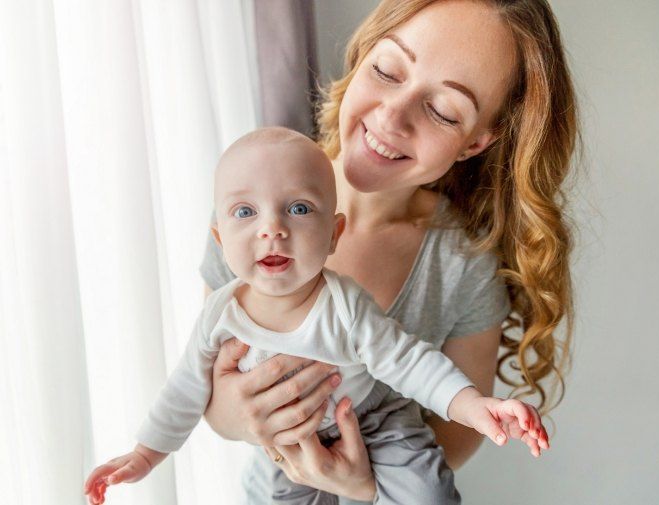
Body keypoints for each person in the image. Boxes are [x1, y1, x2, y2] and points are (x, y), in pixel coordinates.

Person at [201, 0, 578, 503]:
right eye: (387, 70)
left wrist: (364, 487)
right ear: (362, 56)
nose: (391, 117)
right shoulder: (251, 208)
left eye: (444, 111)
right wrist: (224, 417)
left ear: (474, 143)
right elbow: (207, 372)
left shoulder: (462, 265)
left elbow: (458, 436)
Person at [82, 127, 549, 505]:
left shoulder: (343, 303)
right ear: (220, 240)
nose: (272, 229)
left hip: (374, 422)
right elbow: (187, 388)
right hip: (288, 448)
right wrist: (144, 456)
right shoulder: (220, 313)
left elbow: (407, 361)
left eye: (299, 209)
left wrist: (474, 407)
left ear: (333, 235)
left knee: (427, 495)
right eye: (245, 212)